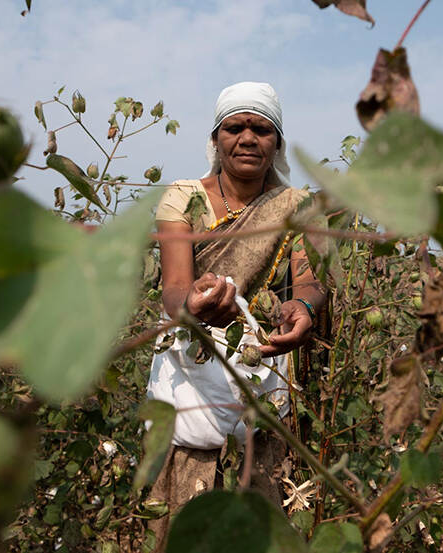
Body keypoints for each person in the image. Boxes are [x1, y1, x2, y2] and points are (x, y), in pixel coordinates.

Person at [146, 81, 326, 550]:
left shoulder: (298, 205)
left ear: (277, 143)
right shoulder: (182, 198)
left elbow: (309, 278)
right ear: (216, 139)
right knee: (187, 499)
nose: (248, 138)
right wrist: (192, 305)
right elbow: (174, 286)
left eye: (262, 129)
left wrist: (302, 307)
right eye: (235, 127)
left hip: (261, 366)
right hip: (194, 367)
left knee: (259, 501)